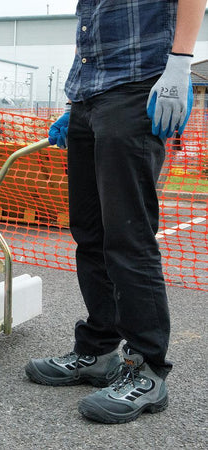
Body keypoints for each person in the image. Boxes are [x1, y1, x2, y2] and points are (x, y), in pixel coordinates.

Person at [25, 0, 207, 424]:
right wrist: (74, 104)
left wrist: (179, 64)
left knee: (128, 236)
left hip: (136, 88)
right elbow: (91, 25)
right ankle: (99, 350)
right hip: (88, 97)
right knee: (89, 233)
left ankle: (147, 369)